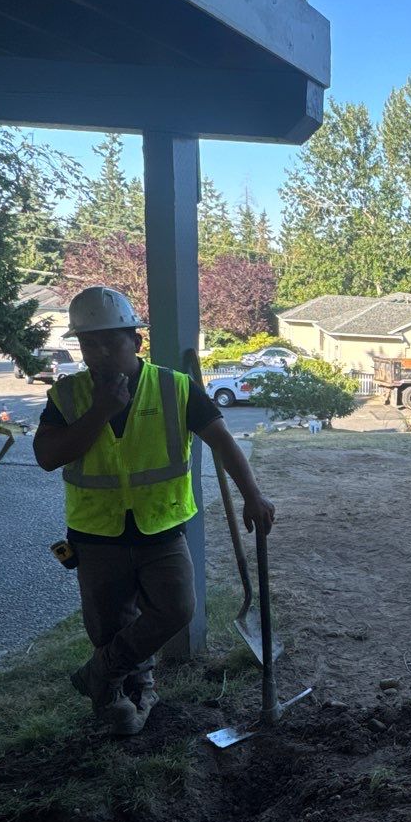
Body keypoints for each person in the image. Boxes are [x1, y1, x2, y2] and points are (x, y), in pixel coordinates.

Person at [34, 286, 275, 736]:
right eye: (90, 343)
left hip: (161, 528)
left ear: (136, 342)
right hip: (95, 533)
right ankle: (122, 697)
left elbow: (223, 441)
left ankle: (98, 673)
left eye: (113, 342)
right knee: (109, 623)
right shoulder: (67, 396)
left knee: (176, 608)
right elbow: (47, 456)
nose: (101, 353)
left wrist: (253, 495)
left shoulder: (175, 387)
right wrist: (101, 412)